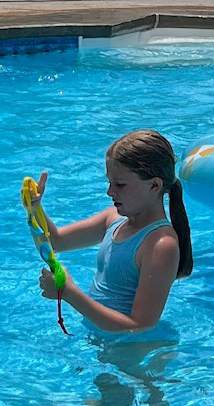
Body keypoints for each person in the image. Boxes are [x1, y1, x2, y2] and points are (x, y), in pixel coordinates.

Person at [32, 129, 192, 335]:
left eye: (120, 184)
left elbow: (139, 326)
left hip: (130, 350)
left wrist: (69, 293)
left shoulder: (160, 244)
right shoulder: (114, 220)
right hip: (102, 339)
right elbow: (55, 241)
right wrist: (34, 208)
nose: (110, 192)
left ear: (154, 185)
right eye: (110, 182)